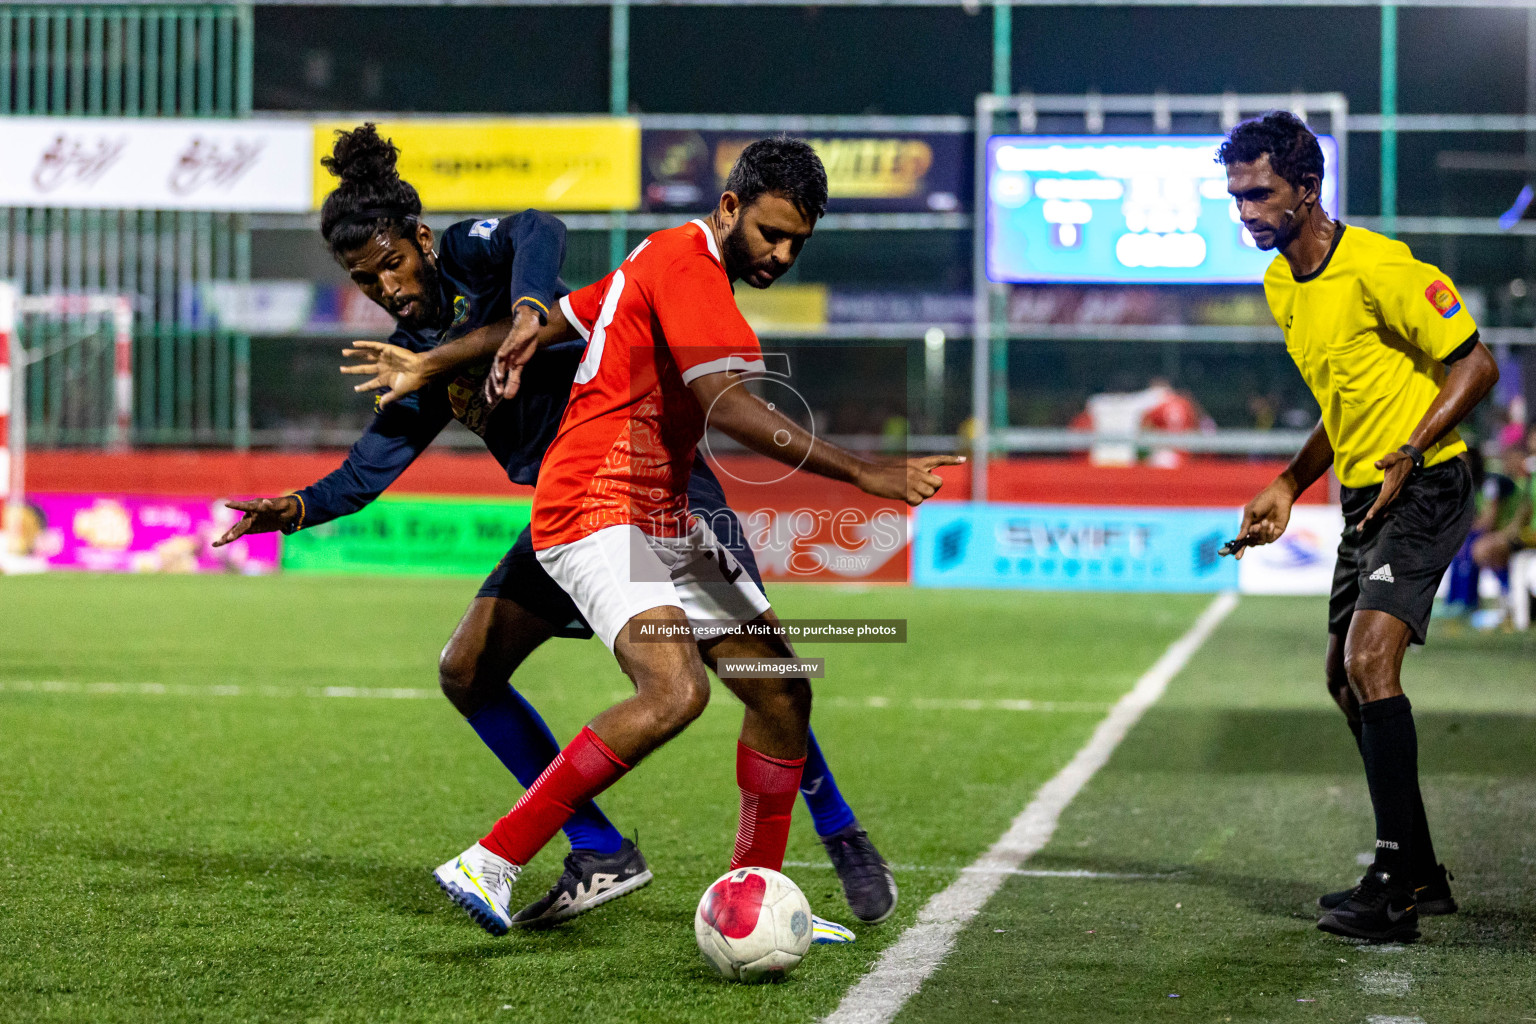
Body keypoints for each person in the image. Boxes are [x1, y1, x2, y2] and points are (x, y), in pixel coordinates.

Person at [215, 126, 901, 933]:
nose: (388, 288)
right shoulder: (412, 359)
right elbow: (367, 471)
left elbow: (539, 228)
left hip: (661, 486)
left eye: (392, 265)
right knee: (469, 670)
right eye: (367, 281)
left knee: (762, 673)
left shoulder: (477, 261)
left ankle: (836, 828)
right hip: (580, 508)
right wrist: (292, 509)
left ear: (422, 242)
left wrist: (528, 310)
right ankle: (596, 844)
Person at [418, 136, 960, 937]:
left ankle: (756, 897)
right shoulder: (691, 267)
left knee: (781, 689)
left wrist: (527, 331)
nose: (780, 254)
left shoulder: (667, 256)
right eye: (770, 233)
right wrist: (864, 472)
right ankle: (491, 859)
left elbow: (579, 308)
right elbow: (731, 406)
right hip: (595, 506)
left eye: (796, 244)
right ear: (730, 206)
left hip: (659, 516)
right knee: (675, 691)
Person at [1221, 111, 1500, 943]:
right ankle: (1419, 870)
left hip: (1427, 482)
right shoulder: (1281, 285)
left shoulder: (1380, 266)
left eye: (1259, 195)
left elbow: (1475, 363)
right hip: (1362, 494)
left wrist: (1412, 448)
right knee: (1345, 682)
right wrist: (1287, 480)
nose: (1245, 213)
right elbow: (1340, 406)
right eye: (1234, 198)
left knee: (1370, 660)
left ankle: (1393, 886)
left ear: (1307, 190)